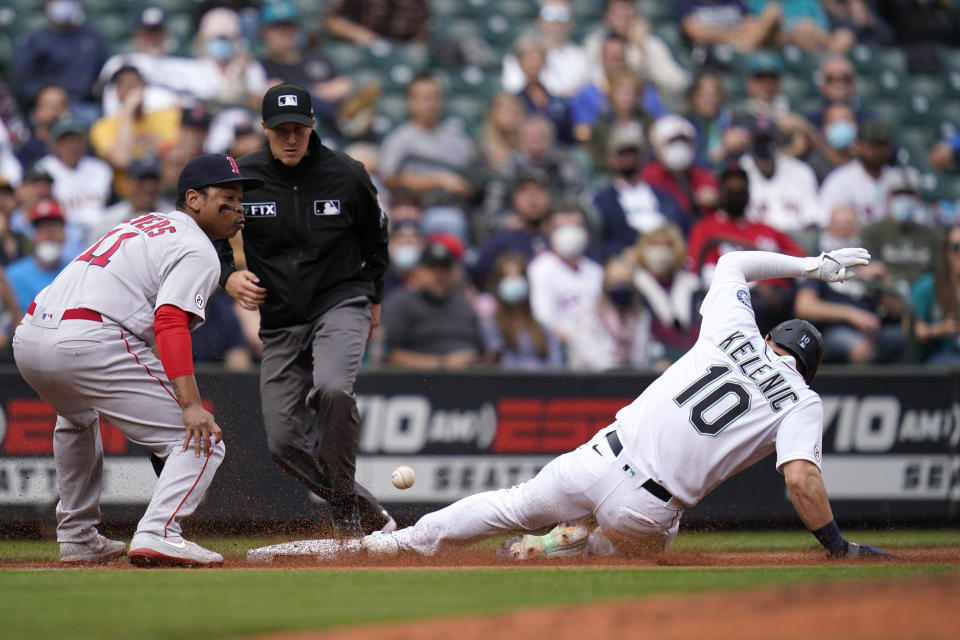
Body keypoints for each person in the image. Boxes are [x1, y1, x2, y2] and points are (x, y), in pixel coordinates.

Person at [336, 247, 896, 562]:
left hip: (598, 458)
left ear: (772, 340)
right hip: (646, 510)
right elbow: (800, 479)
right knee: (652, 543)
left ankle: (401, 543)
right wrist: (836, 545)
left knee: (509, 503)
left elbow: (730, 263)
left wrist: (812, 265)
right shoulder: (801, 399)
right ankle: (564, 546)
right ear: (810, 367)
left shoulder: (736, 331)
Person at [13, 152, 262, 566]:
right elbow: (169, 322)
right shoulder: (197, 247)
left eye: (241, 197)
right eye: (228, 195)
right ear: (194, 199)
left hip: (33, 335)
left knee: (75, 419)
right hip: (89, 337)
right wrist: (190, 405)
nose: (238, 205)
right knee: (200, 441)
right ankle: (160, 530)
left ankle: (77, 536)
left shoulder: (143, 223)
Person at [216, 83, 394, 536]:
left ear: (313, 125)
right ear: (264, 130)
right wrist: (227, 275)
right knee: (282, 441)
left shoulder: (347, 173)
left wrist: (373, 297)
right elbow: (206, 232)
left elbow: (376, 239)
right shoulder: (242, 176)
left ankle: (348, 515)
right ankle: (351, 499)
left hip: (341, 299)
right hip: (280, 317)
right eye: (280, 131)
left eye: (298, 129)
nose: (290, 139)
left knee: (333, 389)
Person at [687, 166, 806, 333]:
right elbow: (700, 273)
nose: (737, 196)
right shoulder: (705, 229)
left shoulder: (766, 228)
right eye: (731, 191)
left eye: (741, 191)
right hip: (738, 300)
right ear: (721, 193)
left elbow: (800, 259)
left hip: (783, 297)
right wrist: (754, 285)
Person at [795, 206, 905, 364]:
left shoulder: (870, 260)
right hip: (833, 330)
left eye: (849, 224)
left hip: (875, 328)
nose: (844, 229)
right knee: (860, 348)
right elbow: (804, 306)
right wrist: (852, 315)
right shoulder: (820, 261)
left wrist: (884, 278)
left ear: (857, 228)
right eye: (839, 225)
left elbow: (896, 311)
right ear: (829, 228)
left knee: (908, 338)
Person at [382, 234, 485, 369]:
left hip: (471, 378)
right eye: (433, 269)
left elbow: (481, 350)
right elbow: (390, 355)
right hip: (420, 382)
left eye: (445, 269)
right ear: (416, 272)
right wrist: (443, 363)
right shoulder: (400, 302)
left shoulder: (463, 303)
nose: (440, 275)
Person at [378, 73, 477, 207]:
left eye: (435, 97)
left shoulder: (458, 138)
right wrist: (437, 180)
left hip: (456, 204)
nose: (430, 103)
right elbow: (389, 179)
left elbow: (472, 176)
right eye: (423, 98)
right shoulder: (399, 138)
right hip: (413, 207)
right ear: (410, 102)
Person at [592, 129, 688, 260]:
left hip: (668, 255)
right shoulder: (603, 201)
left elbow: (681, 227)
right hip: (629, 259)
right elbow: (602, 241)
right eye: (622, 154)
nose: (628, 159)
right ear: (611, 158)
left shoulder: (664, 196)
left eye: (633, 153)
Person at [89, 66, 181, 199]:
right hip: (129, 199)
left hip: (167, 193)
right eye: (126, 85)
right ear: (117, 92)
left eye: (136, 84)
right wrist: (128, 109)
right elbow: (122, 160)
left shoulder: (169, 115)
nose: (133, 91)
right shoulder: (103, 127)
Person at [14, 0, 107, 123]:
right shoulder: (35, 40)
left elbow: (103, 76)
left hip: (83, 105)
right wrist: (47, 94)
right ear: (47, 3)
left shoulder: (93, 38)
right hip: (47, 105)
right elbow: (25, 82)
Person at [582, 0, 691, 99]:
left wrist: (642, 49)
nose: (625, 21)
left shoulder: (650, 44)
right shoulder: (595, 43)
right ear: (607, 18)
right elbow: (586, 79)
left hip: (643, 105)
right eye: (620, 16)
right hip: (602, 101)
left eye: (629, 16)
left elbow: (678, 83)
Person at [528, 206, 604, 344]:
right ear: (549, 231)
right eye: (563, 227)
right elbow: (543, 319)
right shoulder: (540, 268)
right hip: (560, 349)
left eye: (576, 226)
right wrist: (575, 341)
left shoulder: (596, 271)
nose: (570, 233)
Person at [36, 119, 113, 254]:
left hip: (101, 231)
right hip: (64, 234)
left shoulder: (100, 169)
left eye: (74, 140)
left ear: (83, 143)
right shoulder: (44, 169)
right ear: (54, 145)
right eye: (64, 141)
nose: (70, 146)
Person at [477, 252, 563, 371]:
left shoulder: (542, 329)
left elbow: (556, 365)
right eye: (508, 276)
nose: (514, 281)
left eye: (518, 276)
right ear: (498, 282)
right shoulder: (489, 325)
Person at [860, 168, 942, 289]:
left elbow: (941, 273)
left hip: (925, 294)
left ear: (918, 199)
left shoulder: (932, 235)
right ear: (887, 198)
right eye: (898, 194)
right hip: (887, 293)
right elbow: (870, 271)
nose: (904, 199)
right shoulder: (871, 232)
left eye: (909, 194)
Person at [568, 257, 652, 371]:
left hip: (630, 379)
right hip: (594, 381)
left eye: (625, 283)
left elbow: (640, 358)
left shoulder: (641, 316)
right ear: (606, 285)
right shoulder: (591, 316)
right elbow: (594, 359)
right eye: (616, 282)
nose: (621, 287)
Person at [739, 121, 821, 234]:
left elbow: (813, 219)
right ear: (750, 142)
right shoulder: (738, 174)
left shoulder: (800, 171)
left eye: (768, 141)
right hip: (754, 243)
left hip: (794, 241)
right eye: (759, 141)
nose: (764, 146)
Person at [500, 0, 590, 99]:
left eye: (564, 15)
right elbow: (514, 88)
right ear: (538, 19)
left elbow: (587, 89)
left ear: (572, 21)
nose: (557, 21)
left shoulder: (581, 56)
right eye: (549, 14)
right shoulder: (519, 54)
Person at [642, 114, 719, 223]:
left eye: (685, 141)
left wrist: (717, 199)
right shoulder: (648, 177)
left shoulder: (703, 176)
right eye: (673, 142)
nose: (680, 147)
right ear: (656, 146)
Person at [819, 121, 895, 226]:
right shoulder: (840, 180)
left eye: (881, 145)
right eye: (871, 146)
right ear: (857, 146)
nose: (876, 151)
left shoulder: (901, 179)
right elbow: (827, 221)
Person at [5, 198, 70, 310]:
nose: (49, 235)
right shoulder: (10, 276)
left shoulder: (76, 271)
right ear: (33, 237)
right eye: (42, 228)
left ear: (64, 235)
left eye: (54, 227)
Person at [912, 225, 960, 365]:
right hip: (940, 354)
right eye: (956, 247)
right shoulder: (927, 286)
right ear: (946, 251)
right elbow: (913, 329)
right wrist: (940, 329)